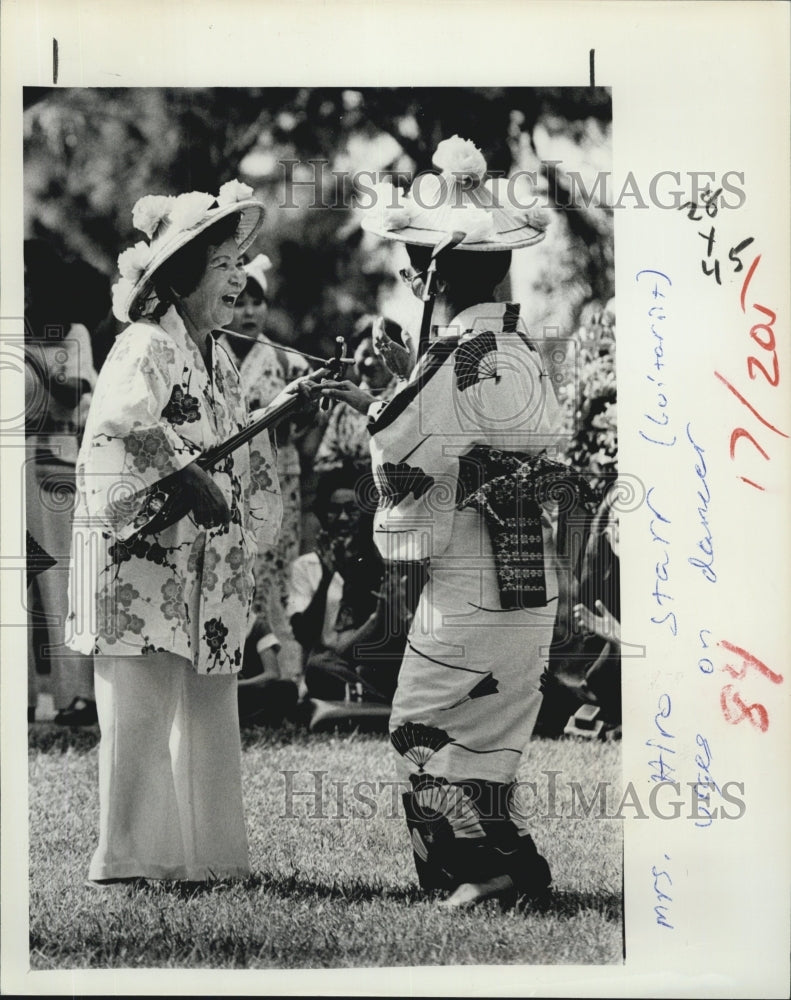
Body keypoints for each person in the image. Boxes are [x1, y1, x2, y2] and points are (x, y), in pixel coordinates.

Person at [321, 136, 569, 907]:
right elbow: (465, 430)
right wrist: (400, 390)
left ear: (433, 272)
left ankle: (485, 869)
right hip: (525, 566)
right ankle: (512, 868)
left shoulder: (458, 353)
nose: (403, 276)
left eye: (408, 262)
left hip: (471, 573)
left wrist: (374, 407)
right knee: (485, 731)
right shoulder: (514, 349)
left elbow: (402, 456)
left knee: (422, 724)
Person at [66, 180, 318, 886]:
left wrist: (283, 407)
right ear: (183, 276)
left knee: (208, 705)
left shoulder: (216, 356)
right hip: (145, 560)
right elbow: (119, 423)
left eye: (241, 261)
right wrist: (185, 475)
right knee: (142, 709)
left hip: (204, 564)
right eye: (223, 264)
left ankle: (208, 858)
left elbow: (227, 445)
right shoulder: (144, 344)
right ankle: (129, 859)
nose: (240, 277)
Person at [221, 254, 321, 688]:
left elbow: (307, 433)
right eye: (239, 301)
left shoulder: (288, 363)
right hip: (228, 481)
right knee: (233, 571)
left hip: (280, 480)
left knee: (275, 576)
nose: (248, 312)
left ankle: (288, 675)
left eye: (256, 302)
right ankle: (239, 672)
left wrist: (305, 409)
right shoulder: (210, 354)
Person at [24, 240, 98, 725]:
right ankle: (23, 695)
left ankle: (78, 695)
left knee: (60, 579)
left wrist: (37, 371)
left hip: (55, 464)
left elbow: (80, 390)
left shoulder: (72, 332)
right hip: (14, 463)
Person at [288, 465, 409, 709]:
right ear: (323, 514)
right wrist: (326, 576)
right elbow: (304, 635)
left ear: (364, 514)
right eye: (334, 510)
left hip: (368, 663)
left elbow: (387, 635)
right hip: (332, 665)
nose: (342, 518)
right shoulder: (305, 566)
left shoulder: (379, 564)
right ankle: (381, 705)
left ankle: (368, 701)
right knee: (318, 667)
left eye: (351, 510)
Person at [314, 316, 400, 474]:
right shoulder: (343, 408)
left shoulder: (405, 399)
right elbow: (323, 461)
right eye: (365, 354)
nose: (370, 362)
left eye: (380, 355)